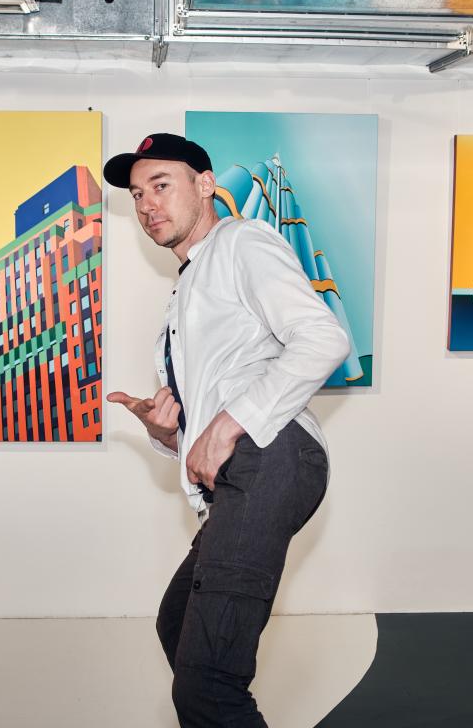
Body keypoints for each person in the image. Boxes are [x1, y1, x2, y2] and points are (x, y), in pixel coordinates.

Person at [103, 133, 350, 727]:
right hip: (247, 469)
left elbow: (324, 338)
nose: (147, 204)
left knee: (207, 683)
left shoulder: (241, 242)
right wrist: (169, 433)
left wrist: (228, 424)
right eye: (137, 195)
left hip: (273, 456)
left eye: (161, 185)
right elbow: (221, 399)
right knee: (177, 625)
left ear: (206, 185)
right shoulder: (188, 286)